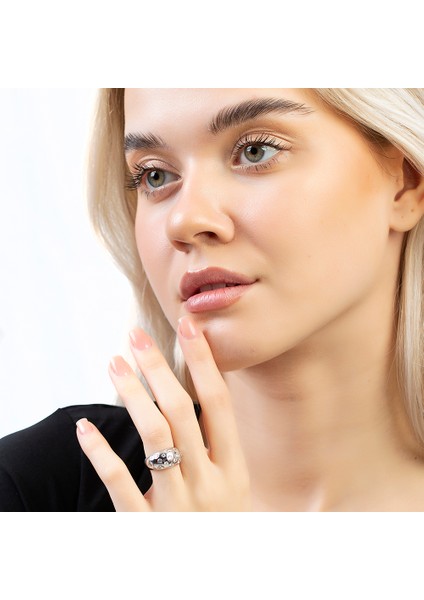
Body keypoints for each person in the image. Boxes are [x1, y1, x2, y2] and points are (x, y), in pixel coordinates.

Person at [1, 88, 424, 512]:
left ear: (406, 182)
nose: (184, 221)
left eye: (255, 151)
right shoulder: (35, 486)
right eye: (155, 175)